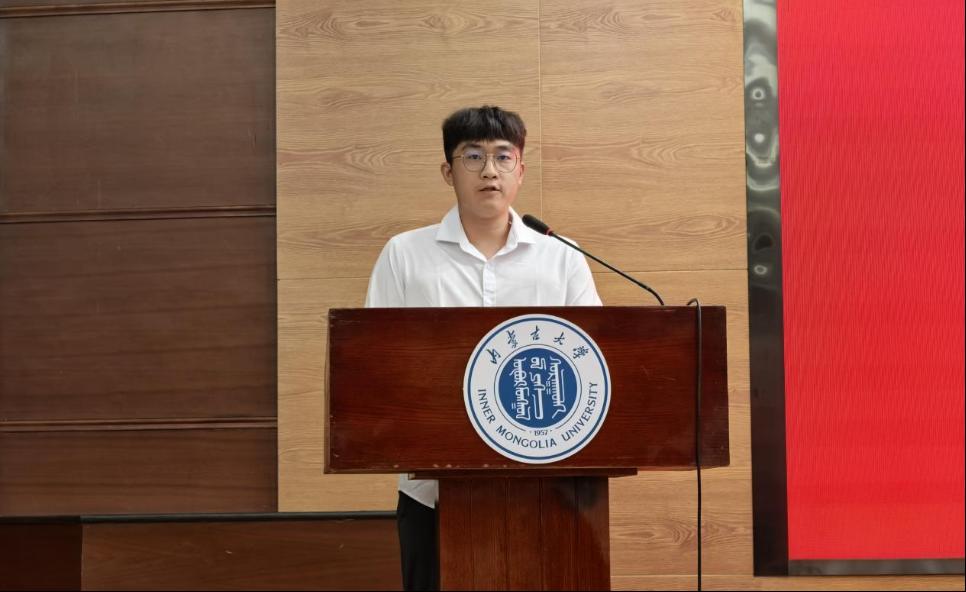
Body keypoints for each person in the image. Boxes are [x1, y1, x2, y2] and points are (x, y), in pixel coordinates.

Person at [364, 105, 601, 591]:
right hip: (433, 491)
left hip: (548, 493)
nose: (489, 170)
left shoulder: (562, 257)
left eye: (502, 156)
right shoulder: (405, 255)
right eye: (473, 157)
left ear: (521, 169)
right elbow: (375, 363)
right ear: (447, 171)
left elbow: (598, 362)